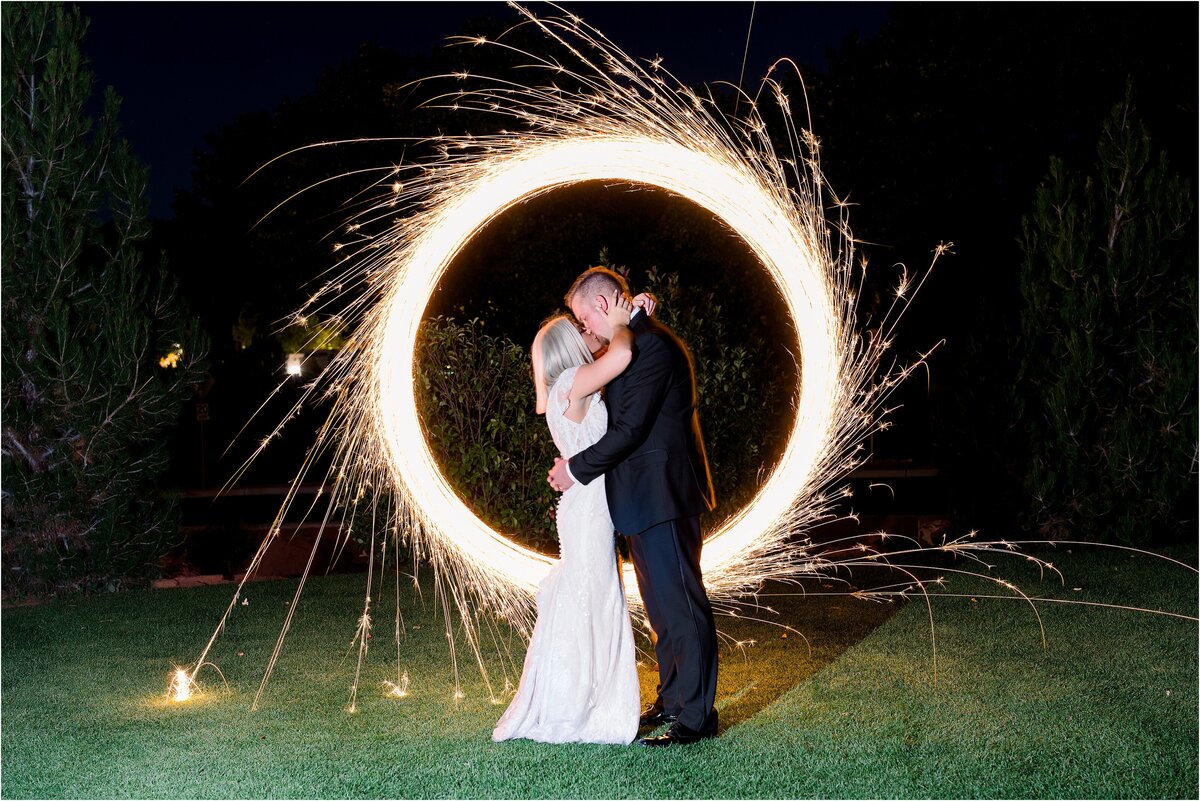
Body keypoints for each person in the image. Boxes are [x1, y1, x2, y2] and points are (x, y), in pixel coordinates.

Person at [547, 267, 718, 748]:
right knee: (662, 611)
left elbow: (629, 431)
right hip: (641, 500)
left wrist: (575, 469)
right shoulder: (631, 344)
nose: (585, 331)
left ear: (602, 306)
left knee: (682, 606)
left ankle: (698, 716)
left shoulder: (651, 348)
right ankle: (672, 700)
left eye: (584, 319)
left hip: (662, 494)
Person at [492, 290, 645, 745]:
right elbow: (620, 353)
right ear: (566, 349)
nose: (586, 333)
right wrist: (622, 320)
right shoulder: (572, 383)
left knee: (591, 593)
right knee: (593, 597)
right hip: (588, 510)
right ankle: (579, 703)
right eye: (578, 331)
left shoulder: (568, 387)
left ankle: (582, 695)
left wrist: (636, 312)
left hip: (586, 506)